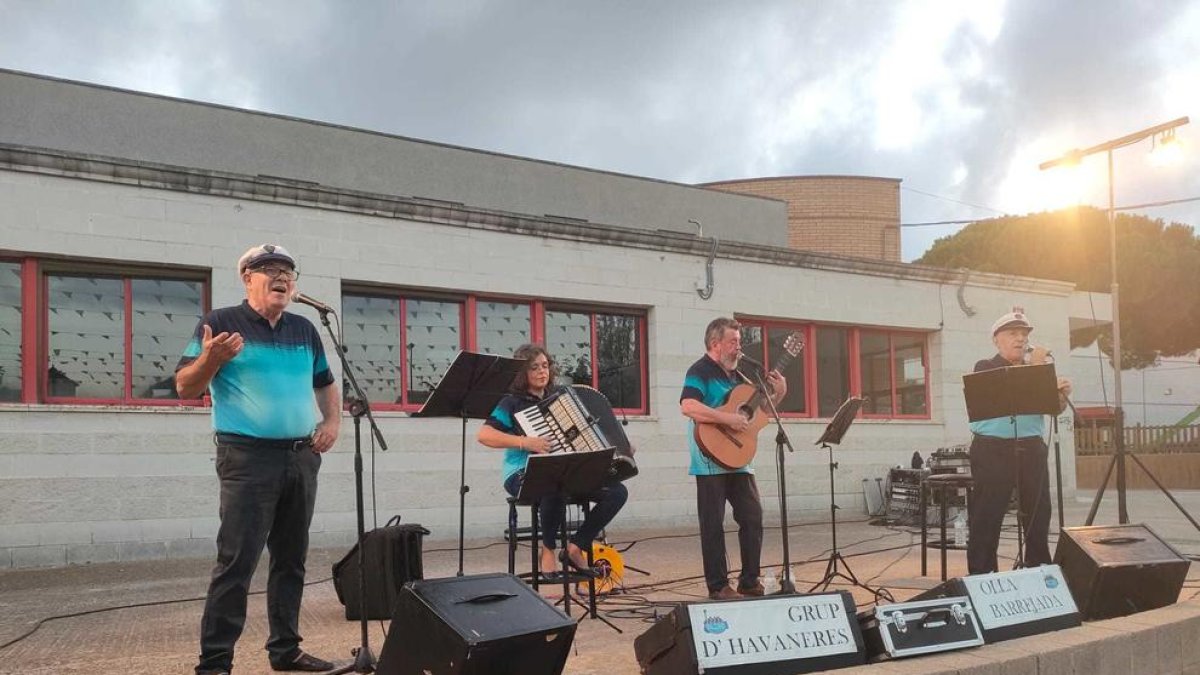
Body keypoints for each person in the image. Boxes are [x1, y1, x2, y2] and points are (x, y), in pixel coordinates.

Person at [177, 244, 340, 675]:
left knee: (291, 560)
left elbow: (325, 382)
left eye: (287, 269)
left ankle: (285, 651)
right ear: (247, 278)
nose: (280, 275)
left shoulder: (305, 329)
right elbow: (185, 387)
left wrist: (332, 422)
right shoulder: (219, 323)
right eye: (269, 268)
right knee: (237, 562)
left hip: (300, 457)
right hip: (246, 459)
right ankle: (214, 664)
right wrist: (210, 359)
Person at [477, 343, 628, 580]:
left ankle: (576, 546)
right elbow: (484, 435)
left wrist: (617, 447)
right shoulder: (511, 403)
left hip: (565, 472)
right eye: (534, 367)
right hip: (520, 473)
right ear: (522, 373)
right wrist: (526, 442)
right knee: (553, 484)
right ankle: (548, 550)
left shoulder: (563, 399)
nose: (541, 372)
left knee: (617, 492)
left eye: (545, 366)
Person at [680, 318, 787, 600]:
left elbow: (757, 416)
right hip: (709, 459)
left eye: (739, 342)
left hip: (739, 459)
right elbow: (688, 406)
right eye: (733, 341)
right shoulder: (699, 370)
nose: (738, 347)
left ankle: (749, 581)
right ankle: (718, 586)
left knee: (753, 518)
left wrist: (779, 394)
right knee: (713, 525)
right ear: (715, 344)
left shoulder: (740, 378)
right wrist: (726, 417)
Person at [966, 308, 1071, 575]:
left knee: (1038, 512)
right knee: (988, 513)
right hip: (993, 448)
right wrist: (1038, 367)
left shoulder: (1036, 371)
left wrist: (1059, 395)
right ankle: (982, 574)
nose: (1020, 339)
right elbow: (1009, 392)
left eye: (1024, 334)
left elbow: (1052, 409)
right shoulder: (986, 367)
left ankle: (1039, 568)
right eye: (1013, 333)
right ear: (996, 339)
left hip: (1031, 447)